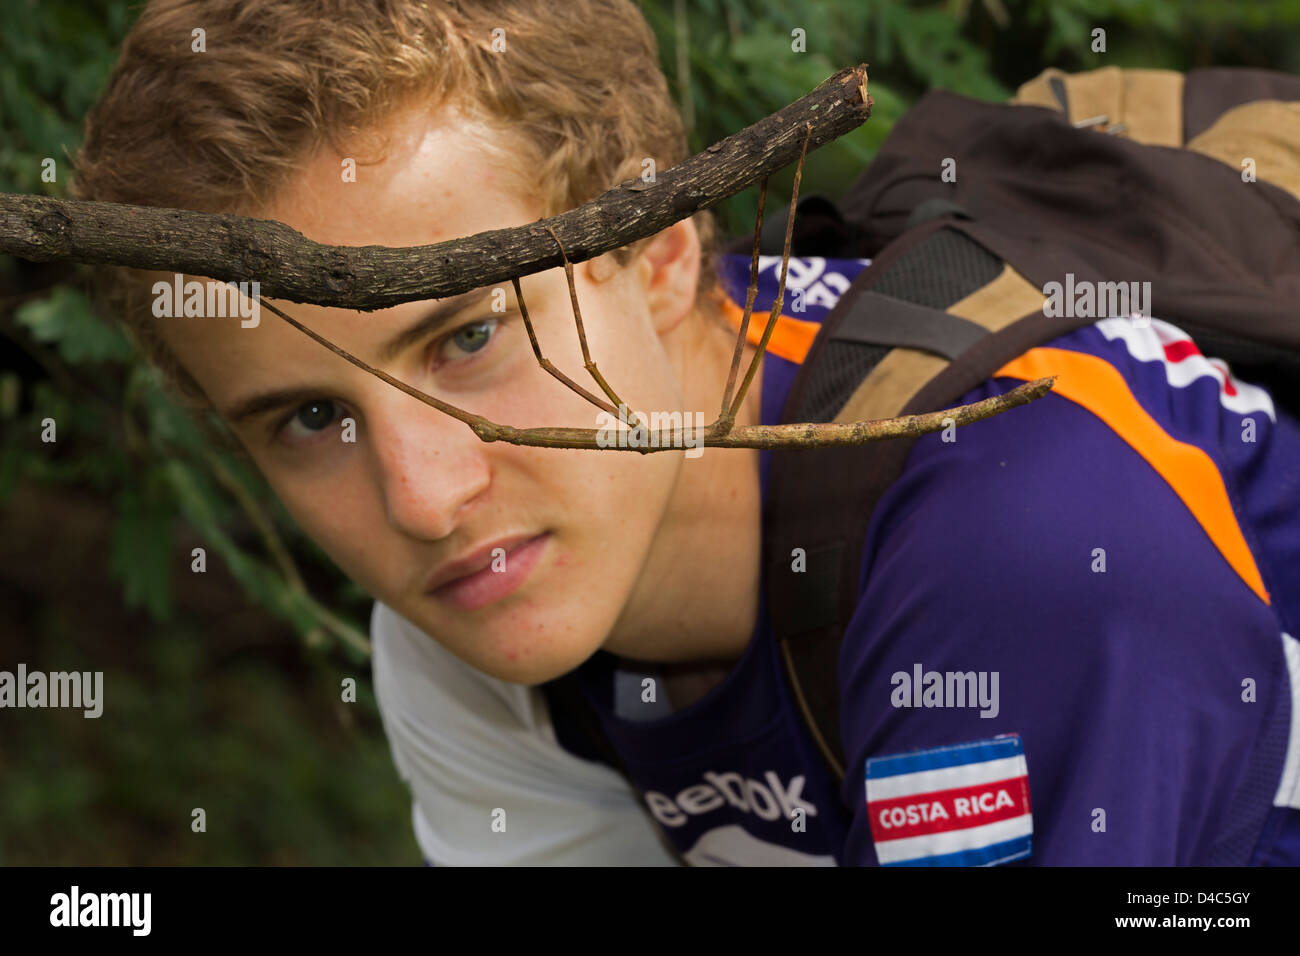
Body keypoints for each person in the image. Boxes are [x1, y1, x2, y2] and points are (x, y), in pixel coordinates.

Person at [75, 0, 1300, 866]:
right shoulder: (484, 613)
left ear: (660, 254)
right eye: (311, 416)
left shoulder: (1016, 541)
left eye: (467, 340)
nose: (424, 496)